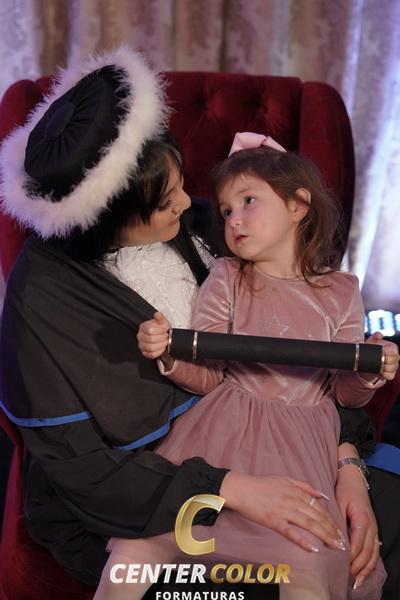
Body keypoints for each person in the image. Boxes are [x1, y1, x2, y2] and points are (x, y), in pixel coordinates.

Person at [0, 47, 396, 598]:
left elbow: (314, 355)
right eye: (167, 202)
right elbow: (86, 470)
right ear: (108, 223)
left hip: (289, 445)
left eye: (182, 184)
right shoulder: (45, 303)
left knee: (363, 538)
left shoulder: (209, 226)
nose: (190, 204)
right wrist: (234, 489)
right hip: (143, 492)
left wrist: (348, 465)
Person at [97, 133, 399, 600]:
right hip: (225, 428)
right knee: (141, 548)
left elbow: (344, 393)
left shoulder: (340, 290)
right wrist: (168, 353)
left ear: (298, 206)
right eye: (225, 211)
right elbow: (208, 374)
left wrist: (370, 371)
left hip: (302, 441)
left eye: (248, 201)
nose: (233, 219)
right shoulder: (228, 277)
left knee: (305, 555)